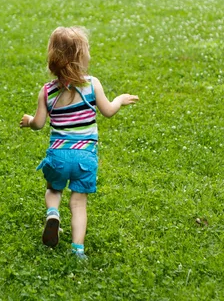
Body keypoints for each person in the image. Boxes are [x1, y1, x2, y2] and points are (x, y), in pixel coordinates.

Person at [20, 26, 139, 260]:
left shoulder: (47, 91)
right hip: (85, 157)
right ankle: (78, 250)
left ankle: (53, 213)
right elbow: (108, 111)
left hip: (57, 156)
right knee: (78, 203)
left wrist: (29, 120)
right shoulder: (92, 84)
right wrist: (119, 100)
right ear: (80, 58)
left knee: (54, 189)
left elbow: (39, 124)